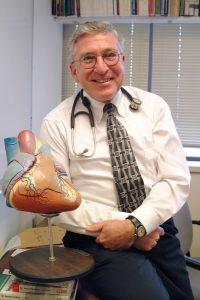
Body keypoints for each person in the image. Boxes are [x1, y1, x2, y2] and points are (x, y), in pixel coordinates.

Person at [40, 21, 194, 300]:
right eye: (88, 58)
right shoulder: (56, 123)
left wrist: (137, 224)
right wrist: (130, 226)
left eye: (109, 55)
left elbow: (175, 179)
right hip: (94, 239)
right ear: (74, 71)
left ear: (122, 60)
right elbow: (58, 202)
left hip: (157, 229)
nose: (101, 67)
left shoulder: (154, 107)